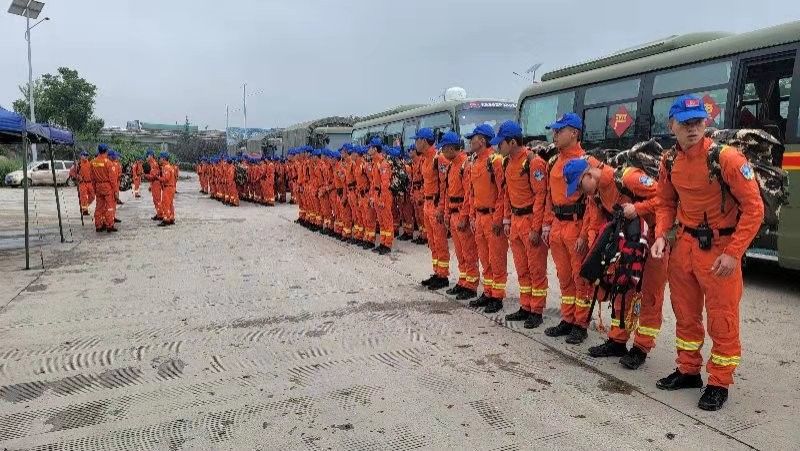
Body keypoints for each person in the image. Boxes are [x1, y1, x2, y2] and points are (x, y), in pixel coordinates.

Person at [652, 94, 763, 411]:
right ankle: (688, 371)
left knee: (722, 320)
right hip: (684, 247)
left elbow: (753, 209)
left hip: (719, 250)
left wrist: (733, 253)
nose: (692, 129)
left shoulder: (726, 159)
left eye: (698, 122)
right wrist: (662, 235)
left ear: (706, 123)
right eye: (685, 123)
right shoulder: (669, 161)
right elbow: (665, 203)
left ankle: (719, 382)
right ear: (671, 125)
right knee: (685, 315)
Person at [562, 157, 667, 370]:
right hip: (626, 244)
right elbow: (595, 219)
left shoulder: (628, 178)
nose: (582, 193)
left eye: (581, 187)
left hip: (654, 242)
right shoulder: (597, 193)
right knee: (621, 289)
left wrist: (638, 208)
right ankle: (617, 340)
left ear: (589, 174)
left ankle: (641, 347)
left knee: (648, 295)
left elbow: (665, 200)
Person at [542, 113, 600, 344]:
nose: (554, 135)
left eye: (559, 130)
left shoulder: (589, 162)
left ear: (574, 133)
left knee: (580, 279)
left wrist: (587, 234)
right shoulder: (553, 162)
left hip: (577, 226)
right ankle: (567, 318)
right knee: (564, 276)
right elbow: (548, 196)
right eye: (554, 131)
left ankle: (581, 323)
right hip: (557, 225)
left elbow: (593, 204)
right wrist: (547, 224)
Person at [492, 121, 549, 325]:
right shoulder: (507, 163)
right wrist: (507, 219)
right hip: (516, 222)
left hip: (530, 221)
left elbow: (541, 196)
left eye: (501, 144)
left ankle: (537, 311)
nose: (498, 148)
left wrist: (537, 228)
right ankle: (526, 306)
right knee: (522, 269)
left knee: (536, 270)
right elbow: (507, 193)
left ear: (513, 142)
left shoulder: (534, 163)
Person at [465, 124, 508, 313]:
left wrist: (499, 218)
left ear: (482, 140)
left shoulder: (495, 161)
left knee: (496, 259)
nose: (470, 141)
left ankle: (497, 297)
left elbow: (502, 193)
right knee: (485, 258)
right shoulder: (475, 162)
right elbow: (472, 192)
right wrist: (473, 216)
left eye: (473, 138)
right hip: (480, 217)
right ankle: (488, 292)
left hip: (492, 217)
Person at [438, 131, 479, 300]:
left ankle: (471, 284)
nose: (442, 153)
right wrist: (447, 213)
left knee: (469, 252)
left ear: (450, 148)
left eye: (444, 149)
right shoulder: (450, 166)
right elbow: (447, 192)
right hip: (453, 213)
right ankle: (463, 281)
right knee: (460, 252)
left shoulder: (464, 165)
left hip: (461, 213)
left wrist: (464, 217)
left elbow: (468, 194)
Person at [417, 128, 450, 291]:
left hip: (436, 204)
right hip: (427, 203)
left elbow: (445, 186)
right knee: (432, 241)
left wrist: (441, 208)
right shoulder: (424, 159)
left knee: (440, 241)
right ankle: (437, 272)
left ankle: (443, 275)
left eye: (417, 140)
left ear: (424, 140)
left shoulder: (439, 159)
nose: (415, 143)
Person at [368, 138, 394, 254]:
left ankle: (387, 244)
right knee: (381, 221)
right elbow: (373, 183)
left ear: (375, 149)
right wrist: (373, 196)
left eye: (370, 147)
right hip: (377, 195)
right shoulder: (374, 164)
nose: (368, 150)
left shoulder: (383, 164)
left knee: (387, 221)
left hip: (384, 195)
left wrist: (382, 199)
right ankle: (383, 242)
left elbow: (385, 184)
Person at [90, 144, 117, 233]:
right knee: (109, 207)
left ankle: (98, 225)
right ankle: (109, 225)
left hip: (98, 186)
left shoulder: (93, 162)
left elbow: (92, 177)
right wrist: (115, 190)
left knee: (99, 207)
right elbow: (112, 179)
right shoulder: (108, 163)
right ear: (106, 151)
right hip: (107, 187)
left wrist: (94, 188)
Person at [71, 150, 95, 215]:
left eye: (87, 155)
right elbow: (72, 172)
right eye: (84, 155)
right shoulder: (78, 164)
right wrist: (78, 177)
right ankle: (85, 210)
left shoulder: (90, 163)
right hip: (82, 183)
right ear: (81, 156)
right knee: (83, 197)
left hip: (90, 183)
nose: (86, 156)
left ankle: (85, 206)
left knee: (92, 196)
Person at [158, 151, 177, 226]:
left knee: (165, 203)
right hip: (171, 187)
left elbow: (166, 178)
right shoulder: (170, 167)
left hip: (168, 187)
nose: (159, 160)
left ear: (164, 158)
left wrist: (158, 178)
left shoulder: (166, 167)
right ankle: (171, 217)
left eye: (160, 158)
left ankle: (166, 218)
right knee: (170, 203)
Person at [144, 148, 163, 219]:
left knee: (157, 200)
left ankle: (160, 214)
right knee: (155, 200)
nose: (146, 158)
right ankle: (158, 213)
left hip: (156, 183)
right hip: (153, 183)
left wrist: (145, 176)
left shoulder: (154, 164)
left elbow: (153, 176)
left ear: (151, 156)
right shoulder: (151, 164)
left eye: (147, 156)